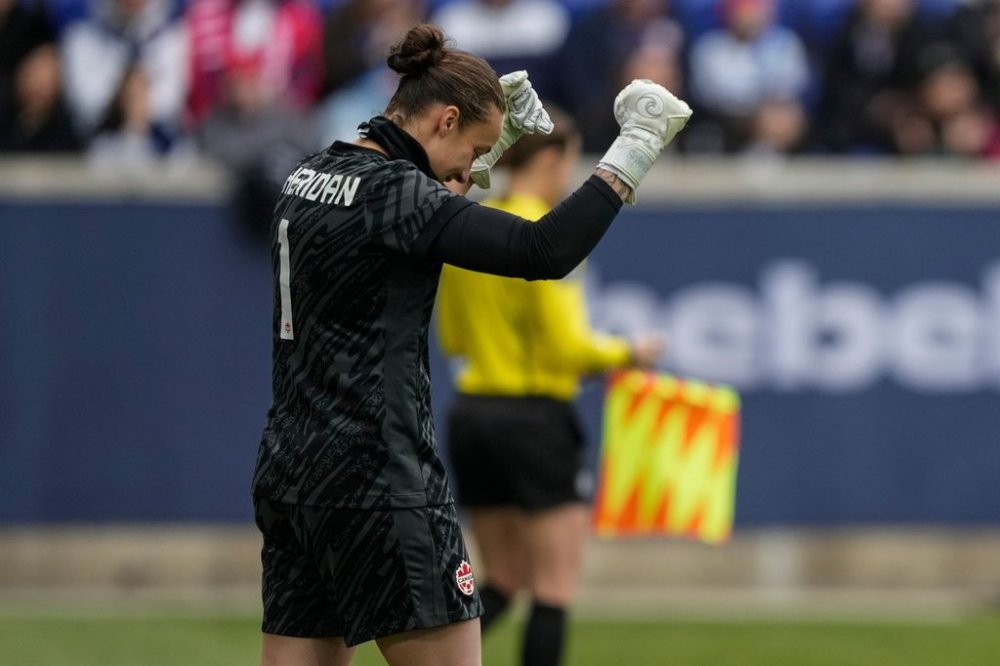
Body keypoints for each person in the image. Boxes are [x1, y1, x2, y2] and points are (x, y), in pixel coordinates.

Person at [250, 22, 691, 666]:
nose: (476, 172)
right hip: (380, 477)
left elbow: (422, 202)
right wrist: (637, 148)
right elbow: (540, 250)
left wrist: (497, 137)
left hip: (290, 472)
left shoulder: (308, 174)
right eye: (477, 151)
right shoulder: (394, 194)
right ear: (446, 119)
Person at [435, 104, 664, 666]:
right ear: (552, 159)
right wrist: (629, 353)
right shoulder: (545, 232)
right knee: (553, 586)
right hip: (534, 419)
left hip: (473, 416)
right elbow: (567, 346)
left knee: (502, 579)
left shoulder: (472, 227)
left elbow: (455, 338)